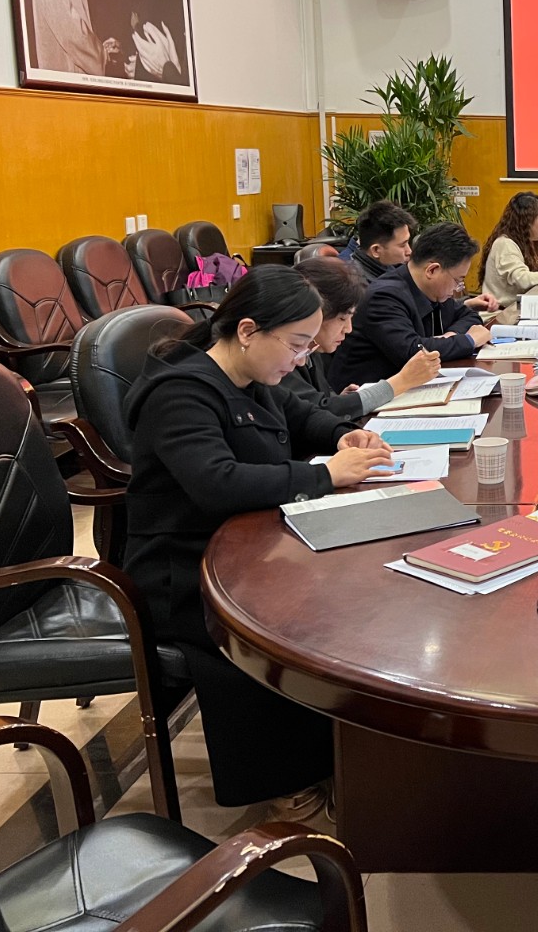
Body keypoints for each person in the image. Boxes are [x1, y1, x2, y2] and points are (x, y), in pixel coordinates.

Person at [122, 267, 393, 811]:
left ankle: (343, 753)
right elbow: (216, 483)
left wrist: (345, 435)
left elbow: (304, 416)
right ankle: (283, 779)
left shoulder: (251, 378)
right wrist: (324, 475)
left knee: (352, 595)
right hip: (187, 568)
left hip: (251, 543)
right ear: (247, 331)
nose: (302, 359)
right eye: (296, 344)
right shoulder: (181, 392)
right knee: (285, 629)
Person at [328, 222, 493, 389]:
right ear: (432, 270)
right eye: (458, 280)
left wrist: (450, 336)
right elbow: (413, 353)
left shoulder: (433, 291)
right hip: (365, 395)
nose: (458, 288)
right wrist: (468, 340)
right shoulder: (384, 296)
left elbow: (469, 316)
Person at [288, 255, 441, 418]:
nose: (348, 329)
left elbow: (319, 403)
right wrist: (402, 381)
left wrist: (340, 400)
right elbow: (315, 414)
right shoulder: (283, 359)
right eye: (342, 319)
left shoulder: (314, 348)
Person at [346, 200, 418, 281]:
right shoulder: (356, 284)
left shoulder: (388, 267)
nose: (409, 251)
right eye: (402, 245)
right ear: (376, 250)